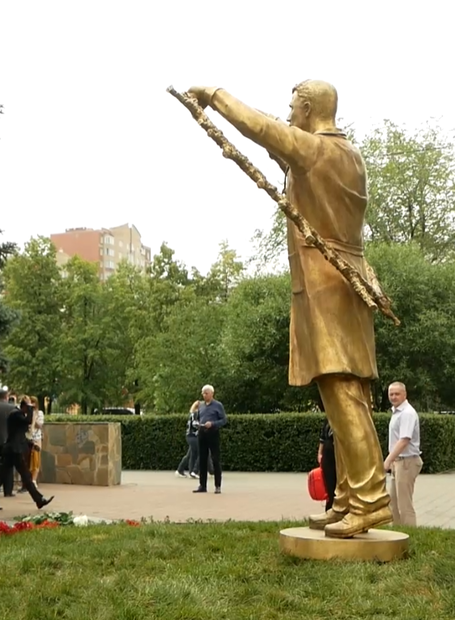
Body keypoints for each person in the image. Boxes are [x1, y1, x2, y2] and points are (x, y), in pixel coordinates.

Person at [187, 81, 391, 538]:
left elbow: (261, 127)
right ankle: (351, 497)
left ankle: (372, 500)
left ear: (306, 108)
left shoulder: (318, 151)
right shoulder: (347, 155)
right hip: (350, 279)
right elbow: (282, 149)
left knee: (341, 394)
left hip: (326, 283)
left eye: (292, 106)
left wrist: (215, 96)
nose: (289, 112)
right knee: (345, 398)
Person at [0, 398, 52, 511]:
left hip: (13, 450)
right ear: (24, 407)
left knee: (2, 477)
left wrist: (31, 444)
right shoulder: (15, 414)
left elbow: (19, 435)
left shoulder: (18, 415)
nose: (29, 411)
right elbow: (28, 421)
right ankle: (39, 500)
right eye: (28, 408)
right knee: (25, 476)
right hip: (13, 451)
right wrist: (31, 410)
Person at [384, 382, 422, 526]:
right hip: (398, 462)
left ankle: (410, 536)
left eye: (397, 394)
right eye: (391, 394)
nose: (394, 397)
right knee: (394, 503)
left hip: (407, 462)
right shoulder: (397, 412)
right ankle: (397, 534)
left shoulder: (407, 413)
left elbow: (404, 440)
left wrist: (387, 460)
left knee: (404, 505)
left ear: (405, 395)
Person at [194, 385, 227, 494]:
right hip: (202, 433)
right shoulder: (201, 406)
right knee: (202, 460)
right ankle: (202, 485)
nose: (204, 395)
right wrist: (198, 424)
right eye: (203, 393)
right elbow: (198, 417)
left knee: (215, 459)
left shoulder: (218, 405)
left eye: (206, 393)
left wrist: (212, 424)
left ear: (212, 393)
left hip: (213, 433)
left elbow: (223, 420)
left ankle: (218, 485)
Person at [318, 419, 337, 510]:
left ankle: (336, 508)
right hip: (328, 452)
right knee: (328, 483)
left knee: (337, 484)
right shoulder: (328, 419)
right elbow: (322, 438)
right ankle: (329, 508)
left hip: (338, 453)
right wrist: (320, 453)